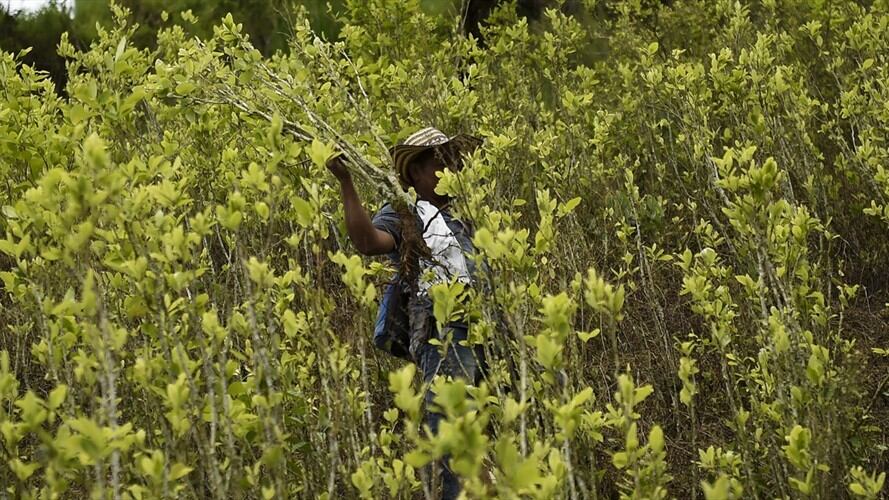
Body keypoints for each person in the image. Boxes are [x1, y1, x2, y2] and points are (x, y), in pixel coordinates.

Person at [326, 127, 485, 500]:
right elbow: (368, 242)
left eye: (453, 160)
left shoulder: (464, 212)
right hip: (444, 336)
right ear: (414, 172)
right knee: (455, 438)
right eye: (440, 162)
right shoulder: (405, 213)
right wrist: (346, 182)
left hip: (485, 335)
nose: (450, 169)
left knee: (485, 441)